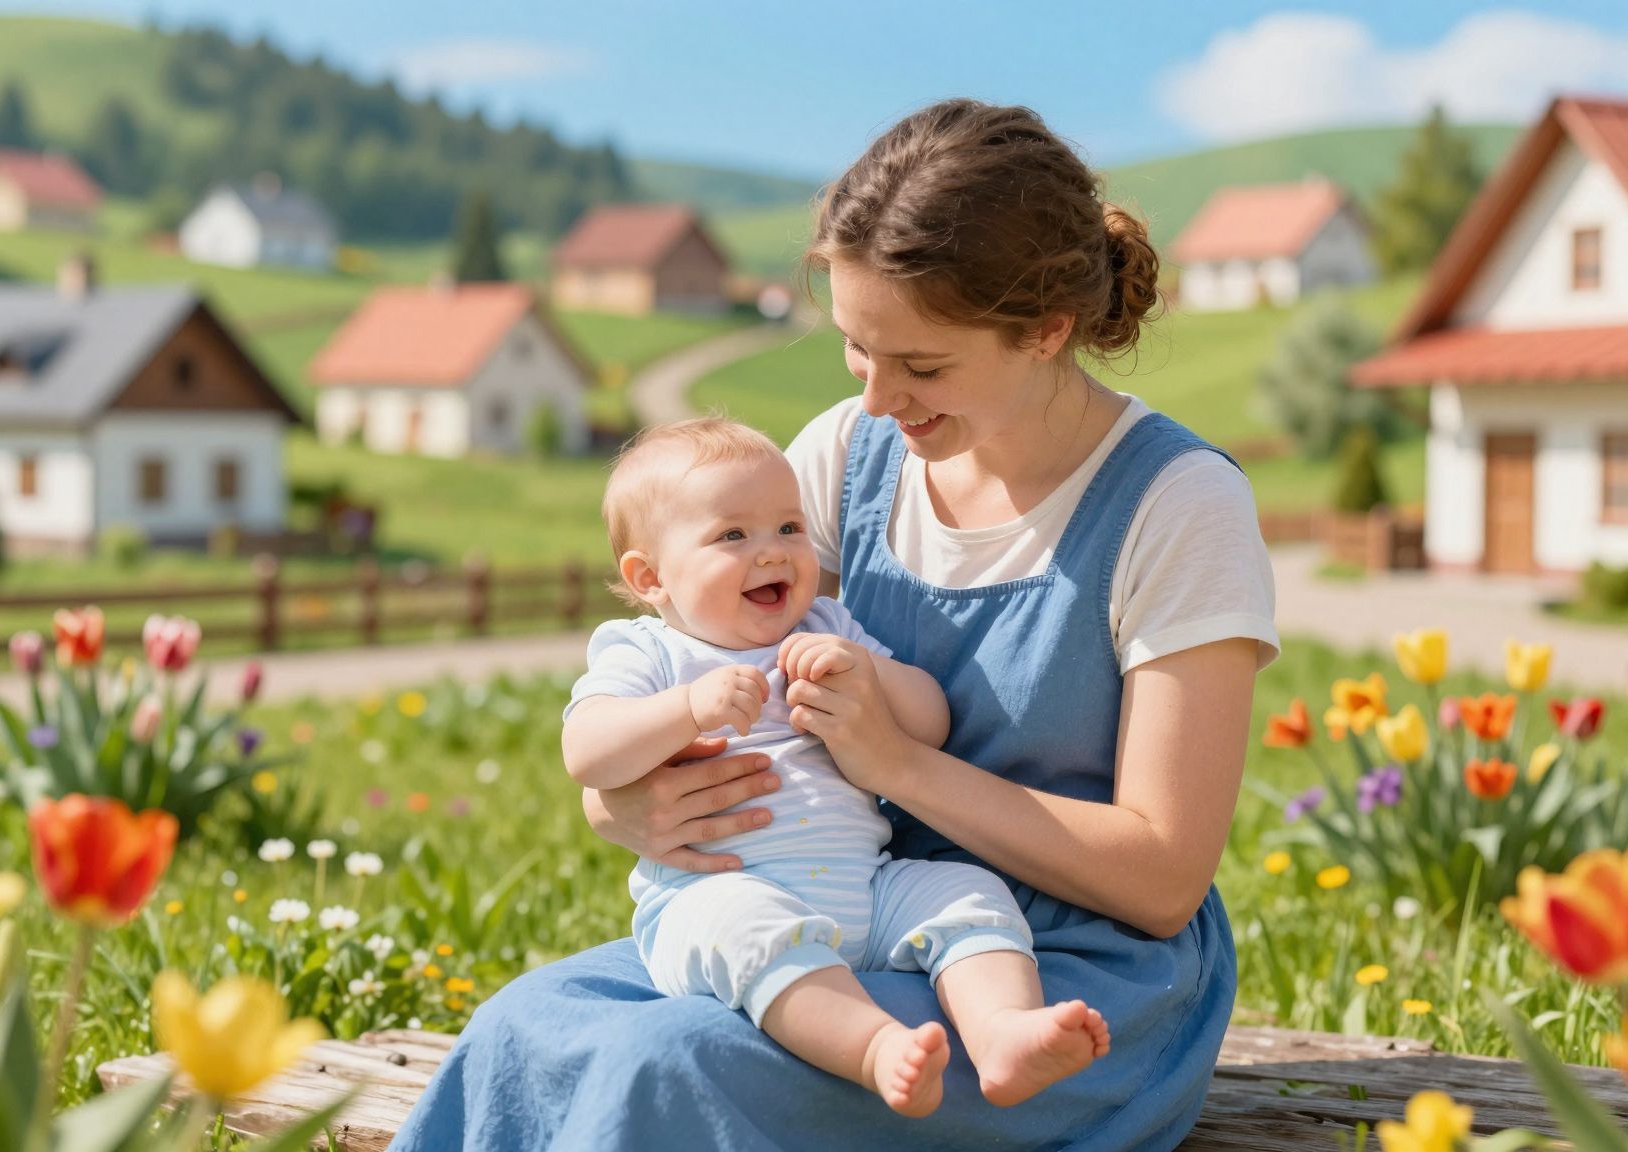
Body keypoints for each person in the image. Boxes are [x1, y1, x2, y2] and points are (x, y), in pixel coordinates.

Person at [390, 96, 1278, 1151]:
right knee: (521, 1027)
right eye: (858, 349)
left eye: (923, 366)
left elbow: (1164, 879)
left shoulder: (1173, 504)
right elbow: (671, 684)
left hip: (1061, 982)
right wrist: (626, 807)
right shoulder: (846, 458)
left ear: (1047, 328)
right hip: (821, 916)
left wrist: (895, 763)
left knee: (668, 1064)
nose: (877, 399)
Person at [563, 417, 1109, 1116]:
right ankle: (875, 1048)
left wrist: (869, 677)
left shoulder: (826, 625)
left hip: (867, 888)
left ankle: (1002, 1031)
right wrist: (687, 709)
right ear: (651, 578)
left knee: (966, 892)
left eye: (789, 528)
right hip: (721, 891)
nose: (772, 551)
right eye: (733, 536)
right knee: (747, 930)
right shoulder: (651, 653)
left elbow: (930, 720)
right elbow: (587, 749)